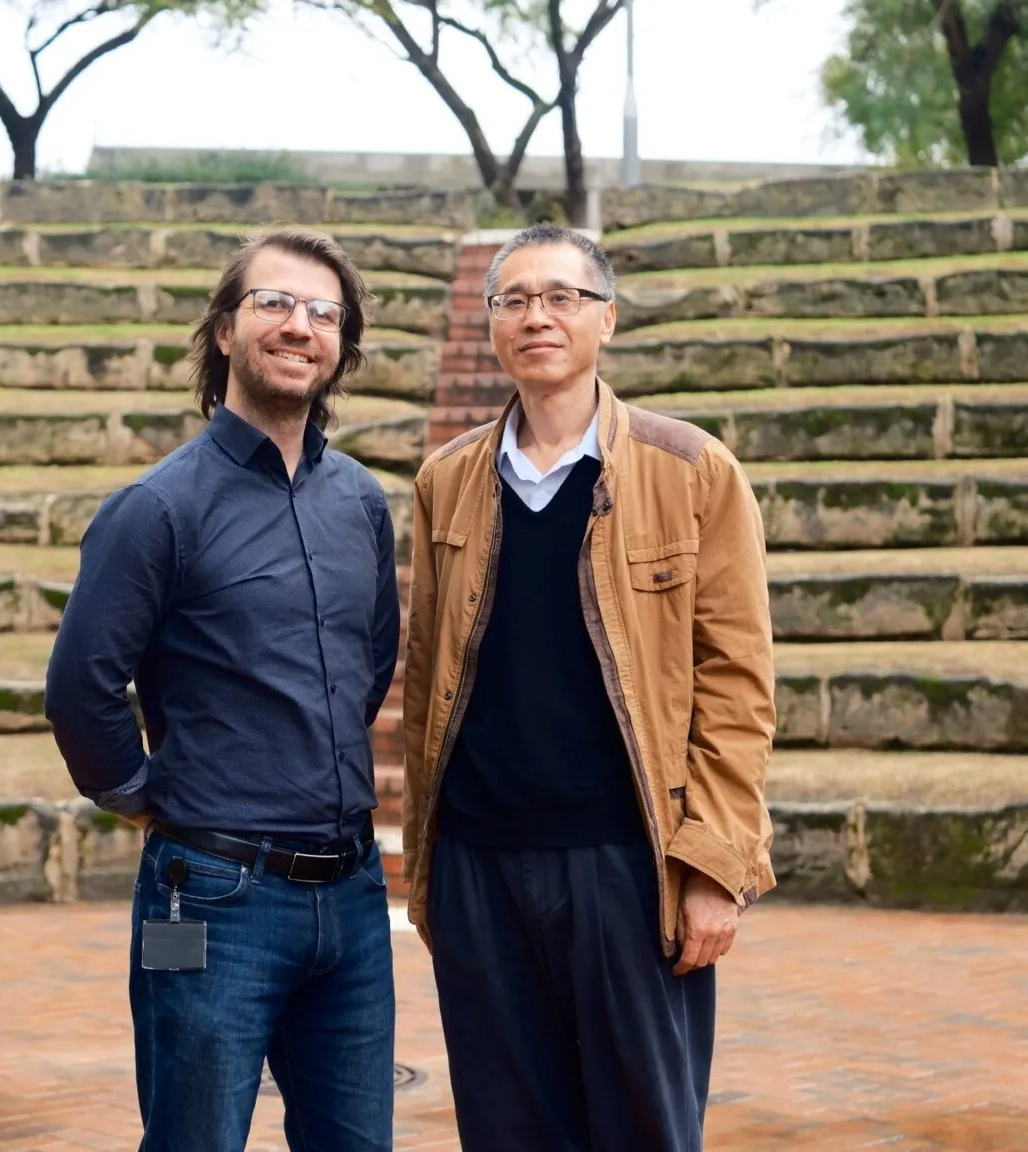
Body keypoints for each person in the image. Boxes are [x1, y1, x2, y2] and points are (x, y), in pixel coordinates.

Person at [400, 224, 778, 1151]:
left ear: (606, 318)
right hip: (480, 864)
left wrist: (715, 867)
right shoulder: (447, 480)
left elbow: (737, 685)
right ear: (492, 323)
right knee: (506, 1132)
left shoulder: (691, 470)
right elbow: (427, 678)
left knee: (641, 1128)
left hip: (627, 865)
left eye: (562, 297)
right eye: (515, 300)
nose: (538, 316)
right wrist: (430, 871)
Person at [45, 229, 400, 1152]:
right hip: (205, 898)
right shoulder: (158, 508)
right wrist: (148, 800)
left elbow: (367, 667)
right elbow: (81, 687)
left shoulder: (361, 502)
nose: (299, 326)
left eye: (324, 313)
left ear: (341, 347)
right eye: (274, 303)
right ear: (224, 331)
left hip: (353, 895)